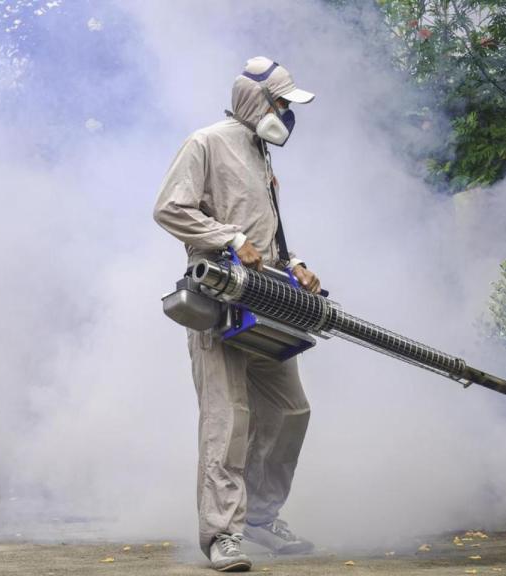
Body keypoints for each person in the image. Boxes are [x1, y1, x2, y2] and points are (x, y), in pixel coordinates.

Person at [153, 56, 320, 572]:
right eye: (281, 103)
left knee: (291, 410)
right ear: (255, 101)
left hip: (266, 301)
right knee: (227, 422)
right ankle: (223, 533)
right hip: (219, 304)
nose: (287, 114)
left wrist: (294, 263)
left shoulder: (260, 151)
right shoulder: (206, 142)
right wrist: (231, 239)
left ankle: (262, 519)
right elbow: (170, 208)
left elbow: (266, 230)